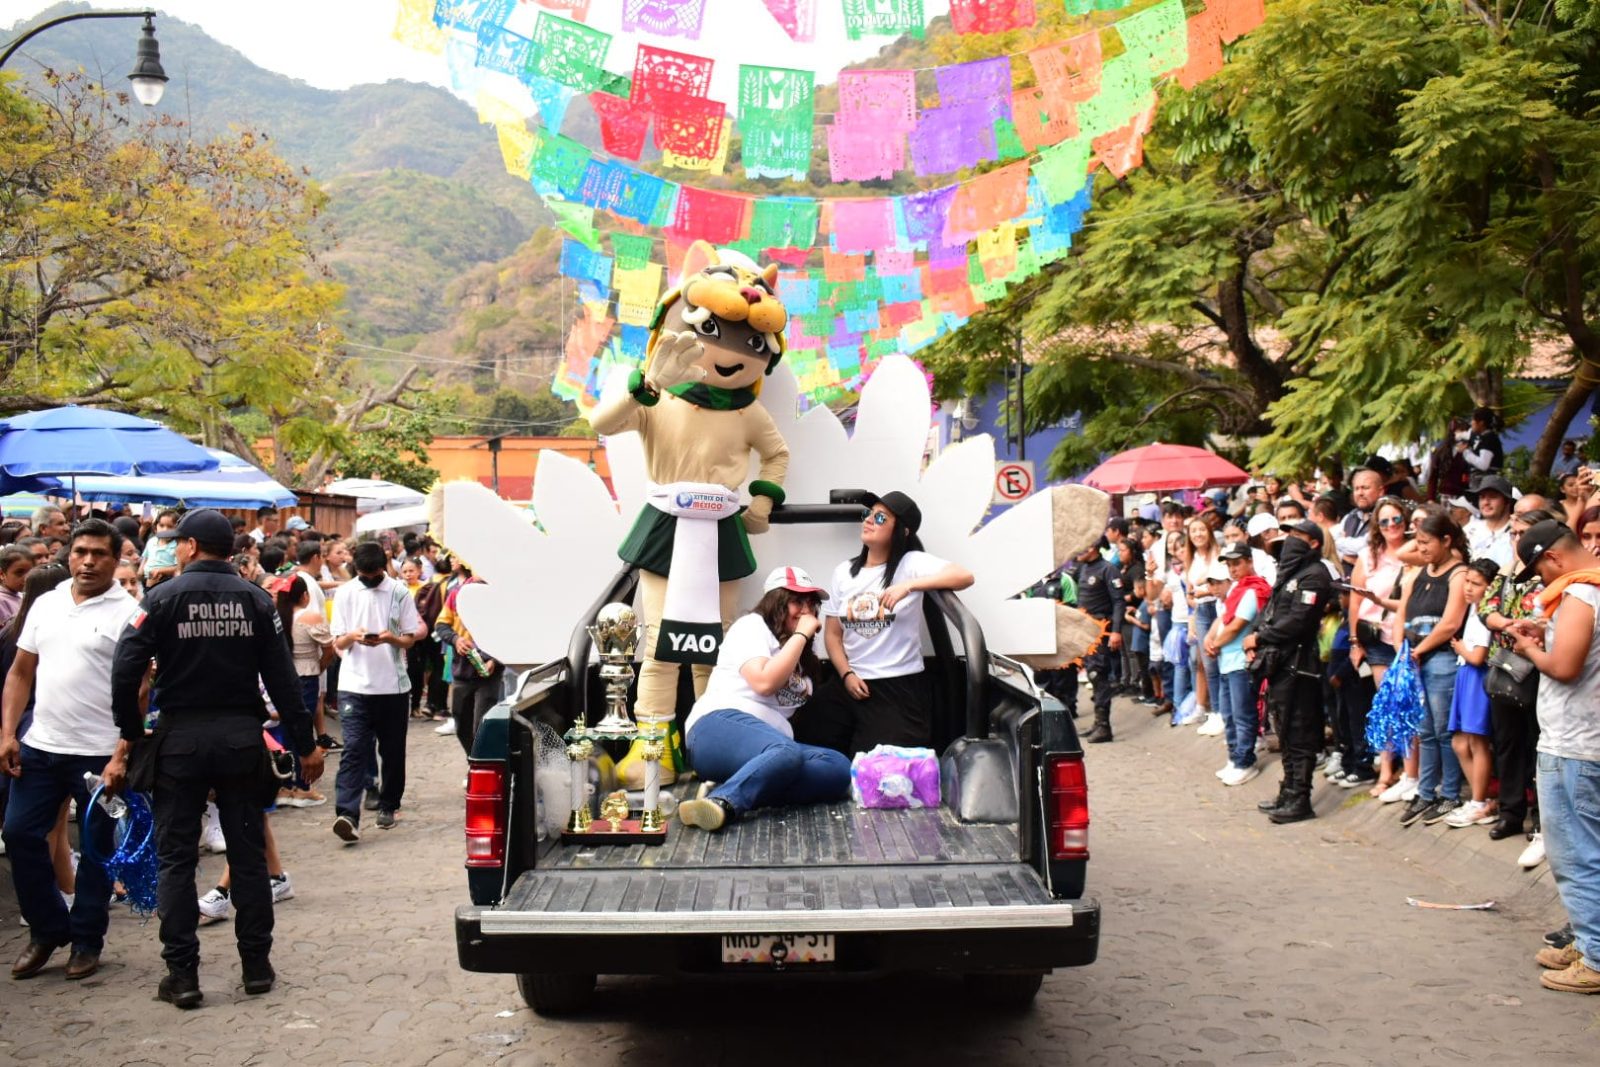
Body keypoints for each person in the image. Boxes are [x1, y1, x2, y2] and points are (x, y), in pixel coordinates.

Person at [108, 509, 323, 1008]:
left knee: (176, 860)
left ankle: (182, 975)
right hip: (240, 743)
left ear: (188, 546)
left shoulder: (158, 599)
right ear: (229, 550)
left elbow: (126, 669)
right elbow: (283, 680)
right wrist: (306, 744)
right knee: (247, 856)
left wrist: (130, 732)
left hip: (178, 743)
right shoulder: (256, 601)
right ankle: (256, 967)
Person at [1, 520, 140, 981]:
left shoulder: (129, 612)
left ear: (116, 558)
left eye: (99, 553)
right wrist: (7, 732)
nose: (87, 561)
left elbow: (141, 690)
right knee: (19, 834)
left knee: (98, 852)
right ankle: (47, 930)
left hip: (98, 754)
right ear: (69, 555)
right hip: (40, 744)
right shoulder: (46, 603)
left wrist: (121, 753)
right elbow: (21, 672)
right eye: (80, 551)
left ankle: (86, 940)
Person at [791, 492, 974, 756]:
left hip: (897, 687)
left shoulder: (911, 564)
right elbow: (832, 635)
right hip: (850, 683)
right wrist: (846, 675)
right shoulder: (844, 572)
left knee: (882, 773)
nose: (868, 521)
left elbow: (964, 576)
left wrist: (910, 586)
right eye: (867, 515)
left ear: (902, 531)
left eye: (880, 518)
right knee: (805, 739)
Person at [677, 567, 852, 831]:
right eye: (798, 601)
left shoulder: (803, 659)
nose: (807, 610)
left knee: (837, 768)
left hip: (767, 748)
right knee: (785, 752)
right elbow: (764, 682)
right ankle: (725, 801)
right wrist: (802, 634)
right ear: (777, 602)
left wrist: (800, 643)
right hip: (716, 727)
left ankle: (730, 789)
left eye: (812, 603)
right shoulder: (751, 627)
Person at [1505, 520, 1600, 993]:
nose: (1543, 582)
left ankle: (1595, 956)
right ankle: (1588, 941)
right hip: (1586, 741)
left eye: (1540, 571)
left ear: (1555, 558)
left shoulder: (1582, 595)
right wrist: (1545, 631)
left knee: (1576, 855)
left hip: (1574, 744)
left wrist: (1529, 649)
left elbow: (1563, 667)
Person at [328, 540, 425, 844]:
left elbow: (410, 638)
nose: (369, 579)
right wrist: (352, 637)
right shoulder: (345, 593)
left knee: (392, 750)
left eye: (374, 573)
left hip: (392, 685)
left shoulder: (398, 592)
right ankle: (347, 813)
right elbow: (336, 644)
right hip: (353, 685)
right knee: (354, 747)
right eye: (364, 573)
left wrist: (389, 639)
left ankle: (389, 804)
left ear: (383, 567)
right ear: (356, 569)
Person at [1245, 521, 1334, 824]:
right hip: (1280, 663)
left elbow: (1298, 620)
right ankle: (1288, 791)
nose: (1289, 542)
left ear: (1313, 543)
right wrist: (1257, 636)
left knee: (1300, 731)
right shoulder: (1289, 575)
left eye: (1297, 536)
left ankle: (1300, 798)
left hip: (1301, 665)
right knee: (1284, 729)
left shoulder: (1315, 575)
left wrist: (1260, 637)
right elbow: (1270, 612)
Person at [1394, 510, 1470, 829]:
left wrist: (1419, 651)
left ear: (1446, 540)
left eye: (1426, 543)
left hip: (1440, 659)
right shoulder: (1420, 571)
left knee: (1443, 731)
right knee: (1424, 731)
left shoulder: (1459, 574)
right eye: (1419, 543)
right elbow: (1402, 611)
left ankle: (1449, 792)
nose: (1421, 549)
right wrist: (1403, 649)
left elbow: (1451, 622)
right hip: (1414, 657)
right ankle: (1426, 791)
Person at [1441, 558, 1498, 828]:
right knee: (1459, 742)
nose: (1468, 588)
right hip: (1465, 674)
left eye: (1476, 584)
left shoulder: (1487, 613)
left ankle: (1479, 802)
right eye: (1467, 581)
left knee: (1477, 742)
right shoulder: (1473, 611)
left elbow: (1478, 657)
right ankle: (1480, 798)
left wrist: (1460, 648)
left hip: (1476, 677)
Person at [1208, 543, 1268, 785]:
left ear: (1249, 562)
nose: (1233, 569)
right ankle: (1235, 758)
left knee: (1242, 714)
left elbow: (1236, 626)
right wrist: (1210, 639)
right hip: (1226, 661)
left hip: (1240, 661)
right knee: (1229, 715)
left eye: (1237, 563)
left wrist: (1215, 644)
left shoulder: (1252, 590)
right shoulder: (1236, 590)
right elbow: (1223, 619)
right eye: (1230, 565)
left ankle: (1245, 760)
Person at [433, 565, 503, 755]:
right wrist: (456, 640)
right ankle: (473, 761)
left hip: (489, 672)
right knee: (461, 722)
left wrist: (494, 660)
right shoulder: (457, 594)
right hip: (462, 670)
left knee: (482, 724)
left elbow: (509, 634)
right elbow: (441, 624)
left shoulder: (501, 596)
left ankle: (481, 765)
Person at [1074, 540, 1126, 744]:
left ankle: (1104, 727)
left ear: (1092, 548)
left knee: (1099, 675)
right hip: (1086, 630)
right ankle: (1098, 722)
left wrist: (1116, 631)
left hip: (1102, 629)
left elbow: (1119, 602)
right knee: (1092, 675)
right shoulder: (1084, 568)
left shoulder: (1108, 569)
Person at [1465, 474, 1517, 571]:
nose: (1486, 502)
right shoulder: (1469, 530)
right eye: (1482, 497)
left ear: (1507, 501)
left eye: (1492, 497)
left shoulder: (1517, 533)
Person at [1335, 468, 1385, 563]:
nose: (1360, 493)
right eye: (1356, 489)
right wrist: (1347, 557)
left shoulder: (1384, 517)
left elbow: (1363, 546)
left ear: (1380, 491)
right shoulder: (1350, 516)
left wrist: (1338, 544)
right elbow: (1330, 541)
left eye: (1365, 488)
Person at [1460, 406, 1505, 479]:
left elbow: (1483, 465)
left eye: (1473, 420)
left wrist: (1465, 452)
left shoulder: (1488, 438)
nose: (1471, 423)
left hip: (1484, 481)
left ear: (1481, 423)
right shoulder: (1485, 437)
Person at [141, 508, 181, 588]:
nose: (165, 529)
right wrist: (139, 572)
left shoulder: (177, 545)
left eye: (170, 526)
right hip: (146, 579)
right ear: (155, 527)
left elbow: (178, 568)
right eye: (161, 525)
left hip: (165, 580)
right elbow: (145, 559)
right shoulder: (151, 541)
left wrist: (160, 571)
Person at [0, 545, 33, 627]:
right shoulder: (2, 601)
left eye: (31, 572)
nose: (26, 578)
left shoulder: (22, 595)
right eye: (19, 572)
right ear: (2, 574)